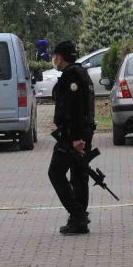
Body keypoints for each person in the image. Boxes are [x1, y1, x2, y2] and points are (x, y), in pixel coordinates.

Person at [48, 40, 96, 235]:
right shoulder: (82, 73)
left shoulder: (71, 77)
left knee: (56, 173)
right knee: (78, 176)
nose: (53, 61)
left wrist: (76, 138)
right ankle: (79, 221)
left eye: (54, 57)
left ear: (59, 57)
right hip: (83, 133)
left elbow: (75, 110)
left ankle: (77, 215)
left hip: (72, 136)